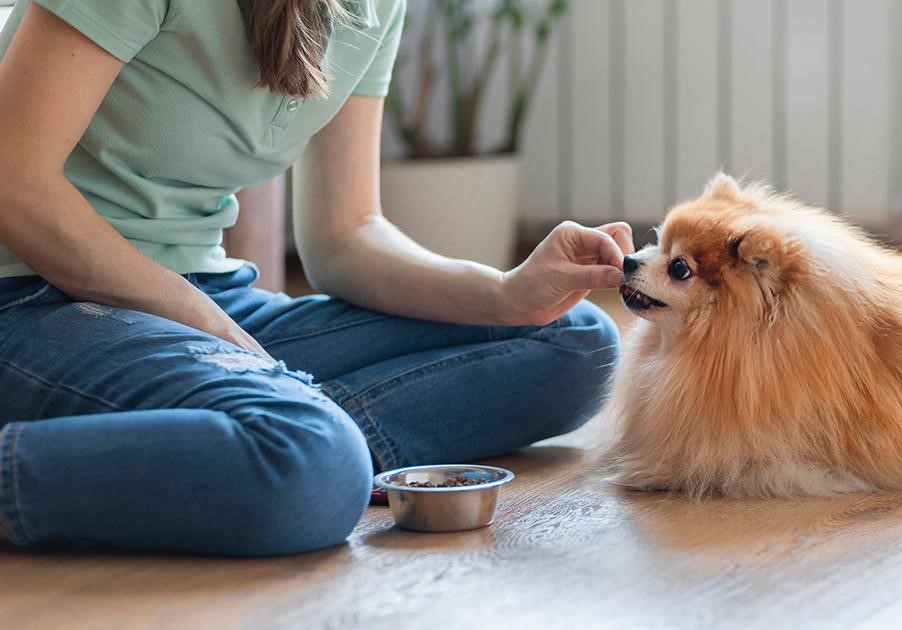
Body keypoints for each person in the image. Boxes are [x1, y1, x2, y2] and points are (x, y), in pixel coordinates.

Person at [0, 0, 629, 556]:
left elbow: (344, 233)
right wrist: (220, 336)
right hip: (32, 299)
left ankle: (231, 434)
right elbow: (14, 184)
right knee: (309, 463)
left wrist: (507, 292)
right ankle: (276, 438)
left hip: (197, 292)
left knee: (573, 340)